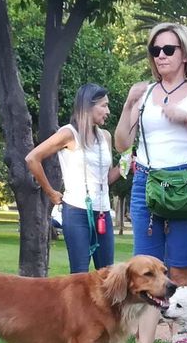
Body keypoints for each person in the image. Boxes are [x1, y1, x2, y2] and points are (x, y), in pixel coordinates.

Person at [114, 22, 187, 343]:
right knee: (146, 274)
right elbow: (121, 144)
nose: (160, 56)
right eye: (155, 50)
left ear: (185, 53)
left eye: (168, 49)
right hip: (147, 183)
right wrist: (130, 103)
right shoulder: (144, 93)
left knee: (180, 271)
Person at [25, 83, 121, 275]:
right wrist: (51, 192)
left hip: (102, 212)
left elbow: (105, 180)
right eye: (104, 105)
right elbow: (32, 158)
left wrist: (123, 168)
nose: (108, 111)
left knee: (108, 274)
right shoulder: (69, 134)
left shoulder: (105, 137)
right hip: (77, 212)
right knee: (79, 276)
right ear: (87, 106)